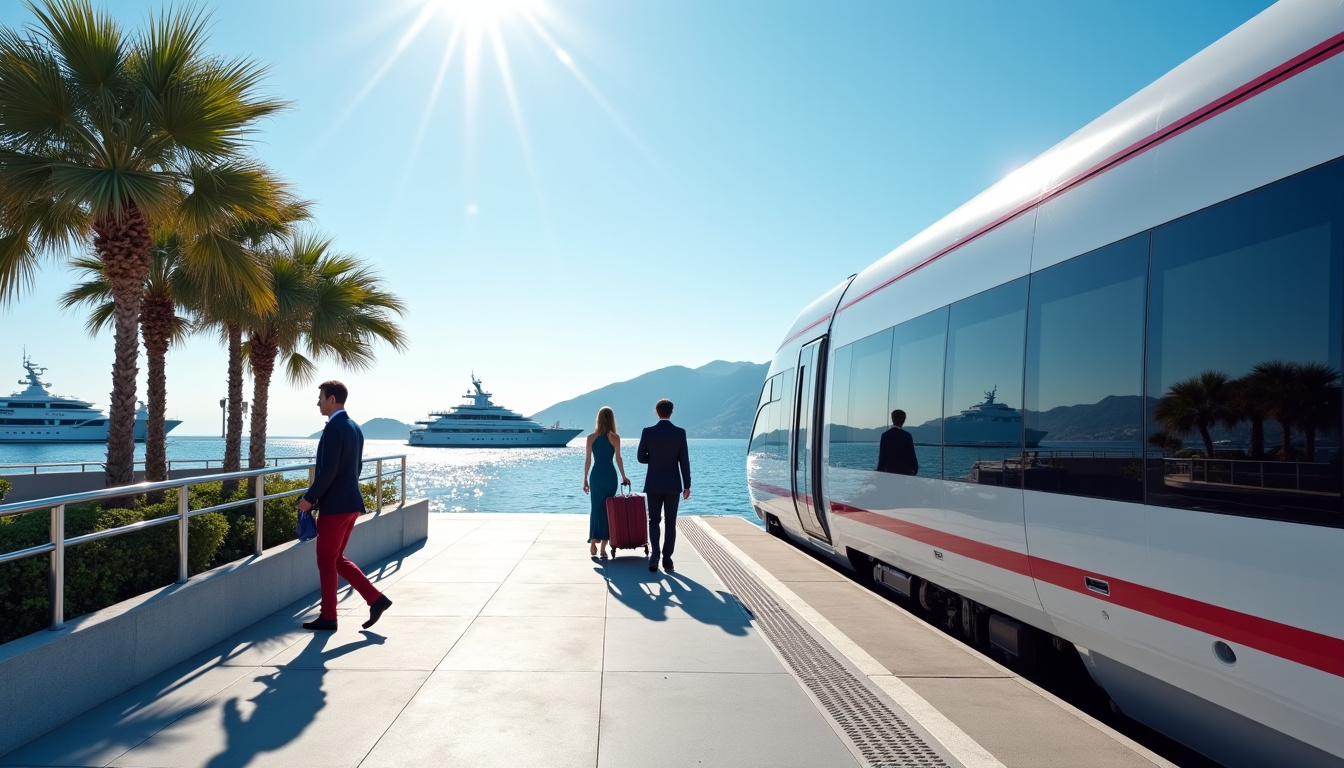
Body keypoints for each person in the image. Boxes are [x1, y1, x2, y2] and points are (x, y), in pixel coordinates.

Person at [298, 381, 392, 631]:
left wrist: (310, 498)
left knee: (326, 561)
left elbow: (328, 471)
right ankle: (376, 599)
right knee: (336, 559)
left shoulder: (333, 429)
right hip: (351, 503)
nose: (317, 402)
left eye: (320, 397)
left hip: (335, 507)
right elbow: (355, 468)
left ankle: (328, 616)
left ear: (331, 399)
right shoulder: (355, 428)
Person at [637, 398, 691, 572]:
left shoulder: (647, 432)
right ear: (672, 412)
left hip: (653, 483)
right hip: (673, 484)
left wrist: (653, 459)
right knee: (670, 522)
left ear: (656, 411)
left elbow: (640, 457)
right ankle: (667, 560)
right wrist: (687, 485)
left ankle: (654, 556)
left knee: (653, 520)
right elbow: (684, 461)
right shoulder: (680, 433)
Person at [583, 406, 629, 560]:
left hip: (596, 475)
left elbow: (588, 461)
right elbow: (618, 459)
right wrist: (624, 476)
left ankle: (593, 542)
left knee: (596, 508)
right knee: (608, 509)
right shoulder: (615, 437)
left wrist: (584, 479)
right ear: (611, 420)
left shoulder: (591, 437)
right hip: (610, 475)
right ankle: (603, 548)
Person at [876, 408, 919, 476]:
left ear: (892, 419)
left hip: (889, 473)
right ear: (904, 420)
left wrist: (879, 472)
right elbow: (912, 456)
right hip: (905, 473)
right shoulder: (907, 436)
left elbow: (882, 457)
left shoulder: (885, 435)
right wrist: (915, 470)